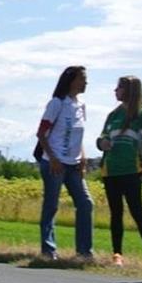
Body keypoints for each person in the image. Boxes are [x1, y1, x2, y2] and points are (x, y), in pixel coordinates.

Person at [96, 76, 142, 270]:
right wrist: (102, 143)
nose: (115, 91)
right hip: (110, 172)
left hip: (132, 172)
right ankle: (117, 254)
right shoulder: (112, 115)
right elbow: (102, 137)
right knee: (115, 213)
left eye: (118, 87)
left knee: (138, 213)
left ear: (129, 90)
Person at [36, 65, 93, 261]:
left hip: (74, 164)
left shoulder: (81, 105)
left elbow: (78, 134)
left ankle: (84, 252)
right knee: (51, 205)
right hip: (55, 163)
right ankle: (48, 250)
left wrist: (83, 156)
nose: (86, 82)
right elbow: (41, 133)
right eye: (82, 78)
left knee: (85, 203)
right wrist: (52, 158)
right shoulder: (57, 103)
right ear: (71, 81)